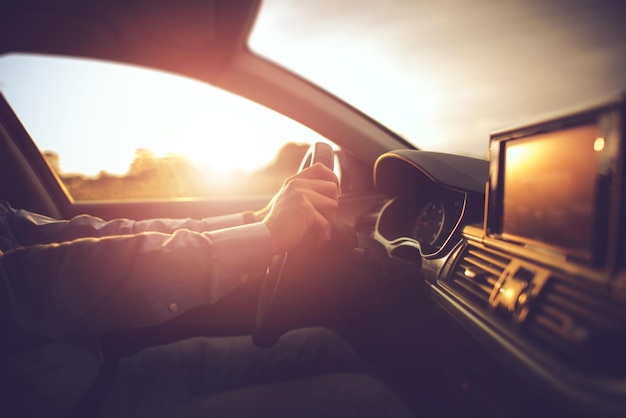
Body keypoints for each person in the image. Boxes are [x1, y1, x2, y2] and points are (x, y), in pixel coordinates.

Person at [0, 163, 413, 418]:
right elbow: (34, 281)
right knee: (363, 402)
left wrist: (256, 219)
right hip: (82, 408)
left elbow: (95, 237)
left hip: (114, 375)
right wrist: (265, 236)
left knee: (319, 344)